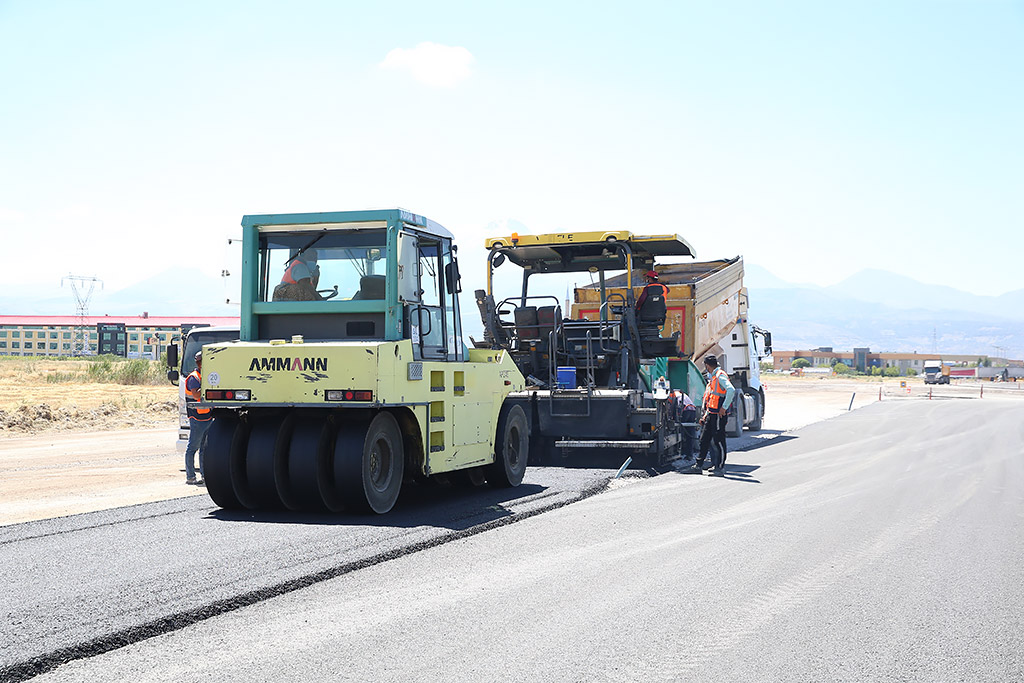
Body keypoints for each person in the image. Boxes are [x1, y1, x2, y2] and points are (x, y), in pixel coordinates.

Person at [690, 354, 735, 476]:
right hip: (711, 414)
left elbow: (731, 390)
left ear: (707, 365)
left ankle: (719, 468)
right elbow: (711, 398)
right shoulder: (713, 378)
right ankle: (698, 465)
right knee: (704, 439)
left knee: (718, 440)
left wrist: (724, 408)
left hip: (718, 416)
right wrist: (706, 414)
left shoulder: (720, 376)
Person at [184, 351, 212, 485]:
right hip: (197, 418)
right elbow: (196, 396)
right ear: (201, 363)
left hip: (207, 417)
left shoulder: (202, 376)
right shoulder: (194, 378)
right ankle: (190, 476)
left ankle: (204, 476)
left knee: (204, 449)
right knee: (192, 448)